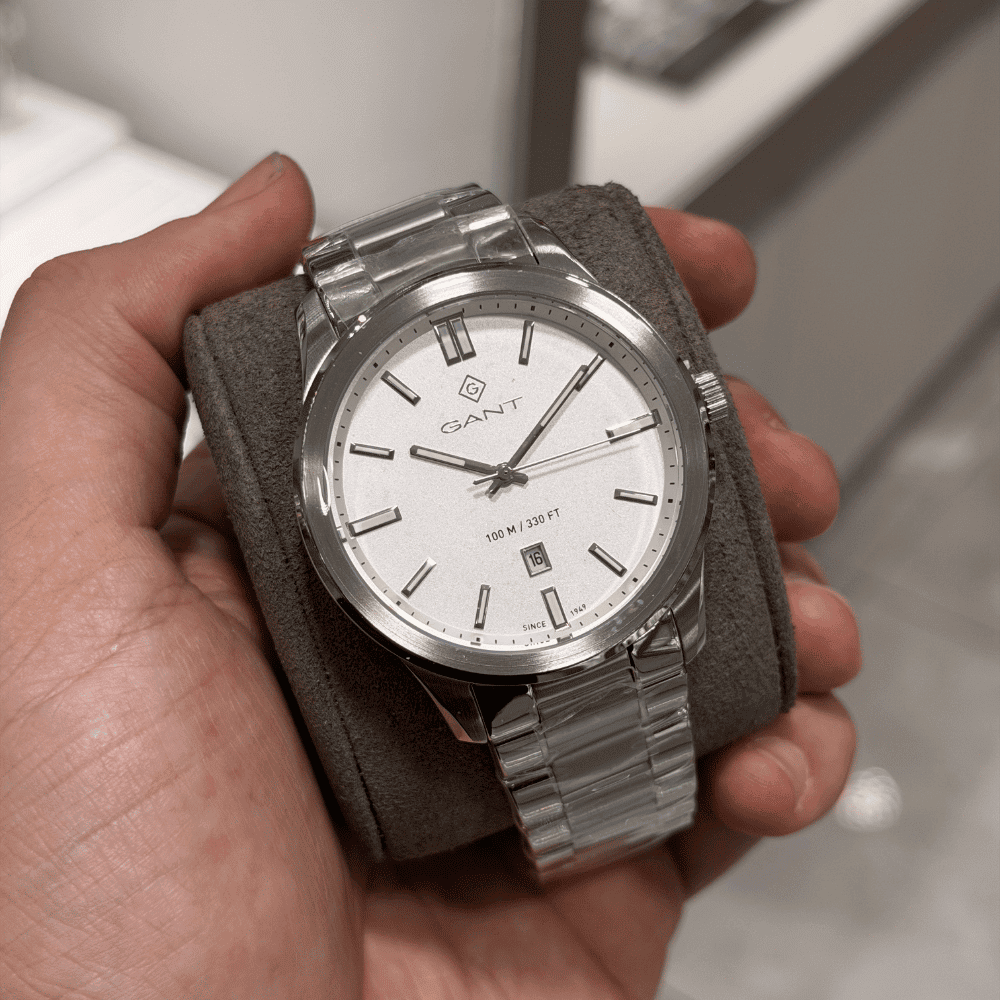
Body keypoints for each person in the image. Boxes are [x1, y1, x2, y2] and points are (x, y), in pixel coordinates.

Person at [0, 154, 861, 999]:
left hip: (639, 608)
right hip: (471, 670)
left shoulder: (583, 316)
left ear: (692, 399)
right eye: (494, 475)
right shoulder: (324, 426)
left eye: (507, 470)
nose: (506, 477)